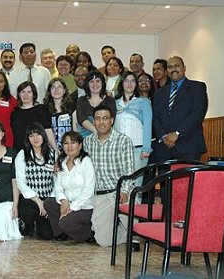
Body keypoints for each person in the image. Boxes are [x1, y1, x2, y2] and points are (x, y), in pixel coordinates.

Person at [83, 105, 134, 246]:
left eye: (105, 118)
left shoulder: (123, 141)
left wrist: (124, 191)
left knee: (135, 226)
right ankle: (123, 233)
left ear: (112, 120)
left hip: (120, 192)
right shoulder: (88, 142)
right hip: (100, 195)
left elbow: (129, 171)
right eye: (98, 119)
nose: (101, 122)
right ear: (93, 121)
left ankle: (129, 232)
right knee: (104, 241)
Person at [151, 56, 208, 162]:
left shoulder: (197, 87)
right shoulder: (160, 92)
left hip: (188, 147)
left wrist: (177, 133)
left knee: (187, 179)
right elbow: (156, 117)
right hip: (164, 149)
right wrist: (163, 137)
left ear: (184, 68)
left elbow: (198, 114)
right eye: (170, 67)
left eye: (177, 66)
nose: (174, 69)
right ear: (167, 71)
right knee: (164, 179)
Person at [44, 131, 95, 243]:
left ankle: (86, 233)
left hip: (83, 206)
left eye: (73, 143)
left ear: (80, 145)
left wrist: (71, 208)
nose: (69, 146)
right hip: (68, 203)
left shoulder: (86, 162)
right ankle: (61, 233)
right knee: (49, 203)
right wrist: (63, 201)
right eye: (66, 143)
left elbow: (88, 190)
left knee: (65, 223)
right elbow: (58, 185)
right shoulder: (62, 161)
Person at [15, 123, 55, 239]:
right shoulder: (22, 155)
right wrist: (38, 201)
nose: (35, 138)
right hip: (30, 199)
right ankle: (28, 224)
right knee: (28, 213)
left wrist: (49, 202)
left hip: (48, 198)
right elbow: (20, 182)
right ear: (28, 139)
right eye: (31, 136)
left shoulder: (53, 154)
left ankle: (40, 220)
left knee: (47, 235)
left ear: (43, 135)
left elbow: (57, 181)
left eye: (38, 134)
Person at [114, 71, 152, 188]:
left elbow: (148, 125)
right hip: (119, 150)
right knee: (120, 183)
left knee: (136, 184)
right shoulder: (115, 104)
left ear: (136, 85)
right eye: (126, 81)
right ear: (121, 84)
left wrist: (146, 149)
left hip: (138, 149)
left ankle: (135, 206)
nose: (129, 84)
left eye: (132, 81)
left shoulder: (144, 103)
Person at [10, 81, 57, 152]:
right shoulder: (15, 112)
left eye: (29, 92)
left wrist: (55, 149)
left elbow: (48, 130)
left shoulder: (41, 109)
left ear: (33, 94)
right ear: (19, 94)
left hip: (39, 151)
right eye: (23, 92)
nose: (26, 95)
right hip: (19, 151)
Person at [76, 70, 116, 138]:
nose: (95, 84)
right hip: (85, 138)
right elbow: (81, 119)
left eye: (97, 81)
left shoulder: (110, 100)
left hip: (106, 137)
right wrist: (97, 133)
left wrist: (102, 135)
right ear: (87, 84)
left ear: (102, 83)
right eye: (91, 82)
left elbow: (111, 120)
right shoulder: (81, 100)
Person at [43, 78, 76, 149]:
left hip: (69, 147)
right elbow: (46, 130)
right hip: (51, 148)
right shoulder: (44, 109)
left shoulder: (72, 106)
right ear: (49, 91)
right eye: (53, 87)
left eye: (59, 87)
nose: (56, 90)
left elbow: (75, 129)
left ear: (64, 90)